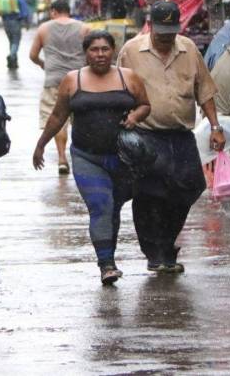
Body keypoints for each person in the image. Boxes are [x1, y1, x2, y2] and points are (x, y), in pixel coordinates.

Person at [33, 31, 150, 284]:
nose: (100, 54)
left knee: (114, 209)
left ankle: (110, 256)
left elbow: (145, 104)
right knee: (100, 206)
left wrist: (135, 117)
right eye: (94, 50)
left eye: (105, 49)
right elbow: (57, 116)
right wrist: (41, 144)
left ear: (113, 50)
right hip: (87, 157)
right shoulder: (72, 80)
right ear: (85, 53)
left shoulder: (127, 77)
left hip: (122, 158)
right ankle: (106, 264)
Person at [117, 1, 225, 273]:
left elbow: (205, 91)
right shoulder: (131, 51)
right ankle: (155, 251)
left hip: (180, 135)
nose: (166, 37)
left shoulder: (188, 49)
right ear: (150, 26)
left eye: (171, 31)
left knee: (189, 186)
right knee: (149, 194)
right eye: (161, 31)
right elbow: (117, 87)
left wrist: (215, 126)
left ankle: (165, 241)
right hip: (146, 134)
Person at [30, 0, 89, 174]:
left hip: (54, 80)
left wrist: (43, 64)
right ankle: (83, 158)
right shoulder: (84, 28)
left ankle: (62, 158)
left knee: (57, 120)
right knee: (80, 120)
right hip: (79, 80)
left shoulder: (44, 29)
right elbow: (91, 54)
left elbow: (32, 55)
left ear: (54, 11)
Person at [0, 0, 21, 69]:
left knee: (11, 40)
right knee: (16, 40)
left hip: (5, 21)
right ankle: (12, 55)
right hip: (14, 19)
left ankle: (13, 62)